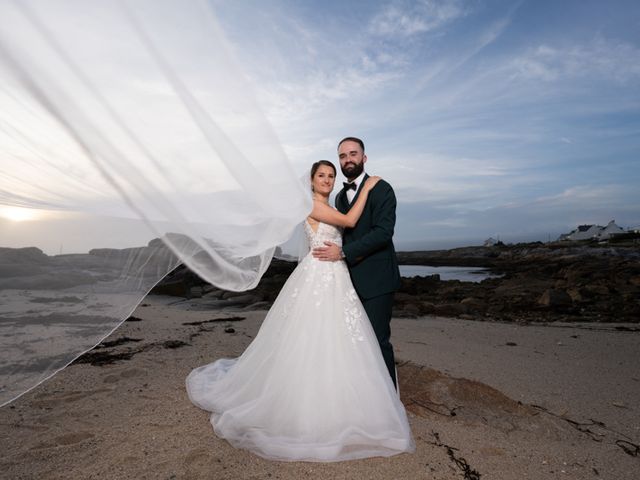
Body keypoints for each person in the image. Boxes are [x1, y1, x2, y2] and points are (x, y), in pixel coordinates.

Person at [186, 160, 414, 462]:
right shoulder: (311, 205)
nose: (328, 180)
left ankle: (340, 396)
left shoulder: (326, 204)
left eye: (331, 176)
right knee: (312, 335)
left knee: (339, 337)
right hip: (320, 275)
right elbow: (348, 222)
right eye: (322, 175)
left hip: (336, 275)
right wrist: (368, 187)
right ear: (310, 181)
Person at [313, 137, 401, 388]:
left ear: (364, 158)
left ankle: (389, 398)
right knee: (353, 342)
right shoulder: (340, 197)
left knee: (377, 340)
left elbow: (383, 232)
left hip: (377, 279)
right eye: (342, 156)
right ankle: (363, 393)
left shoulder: (382, 189)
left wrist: (342, 253)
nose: (348, 159)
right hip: (346, 282)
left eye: (353, 154)